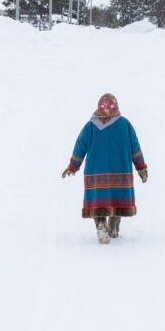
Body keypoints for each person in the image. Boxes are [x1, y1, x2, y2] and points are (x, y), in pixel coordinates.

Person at [61, 93, 148, 244]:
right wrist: (141, 167)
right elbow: (135, 147)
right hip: (119, 171)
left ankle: (101, 225)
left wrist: (73, 166)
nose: (107, 110)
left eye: (109, 107)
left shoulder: (91, 126)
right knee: (116, 199)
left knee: (98, 201)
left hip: (96, 173)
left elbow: (80, 146)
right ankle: (113, 228)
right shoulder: (124, 124)